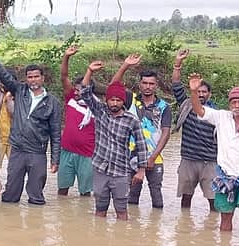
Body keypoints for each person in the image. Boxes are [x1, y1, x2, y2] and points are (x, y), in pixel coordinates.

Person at [0, 36, 62, 205]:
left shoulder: (52, 102)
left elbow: (56, 134)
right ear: (26, 79)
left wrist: (55, 160)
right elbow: (3, 75)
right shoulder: (20, 91)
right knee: (11, 194)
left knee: (36, 195)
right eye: (30, 77)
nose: (33, 80)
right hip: (17, 149)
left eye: (36, 76)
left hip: (37, 152)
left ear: (43, 78)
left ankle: (35, 229)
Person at [189, 74, 239, 234]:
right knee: (225, 217)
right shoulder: (222, 117)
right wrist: (194, 91)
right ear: (229, 104)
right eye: (233, 102)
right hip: (225, 174)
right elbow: (199, 110)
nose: (237, 105)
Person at [79, 60, 147, 220]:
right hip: (100, 168)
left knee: (122, 209)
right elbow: (84, 92)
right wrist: (89, 71)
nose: (115, 103)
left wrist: (141, 170)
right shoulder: (100, 111)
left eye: (118, 100)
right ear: (107, 100)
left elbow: (141, 145)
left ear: (124, 101)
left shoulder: (132, 120)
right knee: (100, 208)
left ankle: (121, 241)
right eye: (112, 100)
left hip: (121, 171)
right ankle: (99, 240)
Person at [111, 54, 171, 209]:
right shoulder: (131, 100)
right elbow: (113, 88)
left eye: (151, 83)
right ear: (140, 84)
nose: (148, 86)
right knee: (131, 199)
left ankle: (154, 230)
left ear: (156, 85)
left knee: (157, 200)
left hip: (155, 158)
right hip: (131, 157)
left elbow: (165, 133)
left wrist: (152, 157)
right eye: (145, 83)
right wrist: (125, 66)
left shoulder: (164, 107)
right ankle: (130, 231)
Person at [172, 49, 218, 211]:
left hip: (210, 162)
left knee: (214, 201)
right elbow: (176, 86)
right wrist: (178, 64)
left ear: (209, 95)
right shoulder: (186, 106)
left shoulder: (216, 114)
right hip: (188, 160)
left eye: (204, 92)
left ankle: (213, 228)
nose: (200, 94)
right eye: (198, 91)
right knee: (185, 199)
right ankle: (184, 227)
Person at [56, 45, 96, 197]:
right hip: (66, 151)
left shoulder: (96, 107)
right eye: (77, 89)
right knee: (62, 191)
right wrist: (66, 57)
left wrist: (90, 71)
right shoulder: (71, 100)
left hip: (87, 155)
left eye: (82, 89)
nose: (78, 92)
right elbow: (64, 77)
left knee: (85, 194)